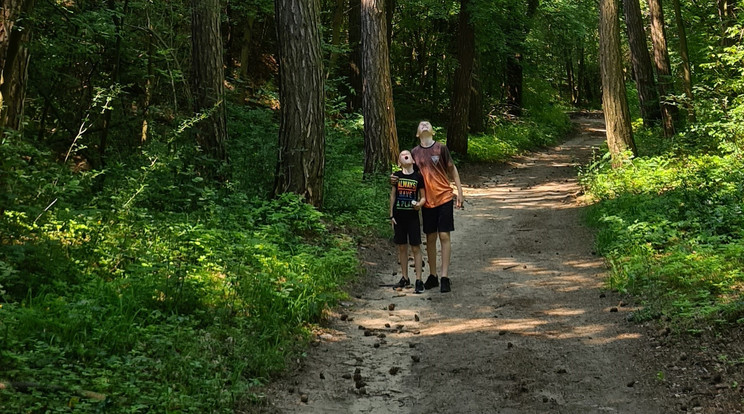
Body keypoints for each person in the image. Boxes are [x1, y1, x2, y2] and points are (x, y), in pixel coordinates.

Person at [393, 121, 464, 293]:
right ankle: (433, 275)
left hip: (444, 196)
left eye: (427, 124)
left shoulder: (441, 148)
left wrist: (460, 192)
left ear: (433, 131)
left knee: (444, 235)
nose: (424, 125)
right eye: (421, 124)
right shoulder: (415, 153)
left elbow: (452, 170)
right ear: (418, 133)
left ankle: (445, 276)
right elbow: (407, 172)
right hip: (427, 201)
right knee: (430, 237)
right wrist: (394, 179)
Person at [390, 150, 427, 293]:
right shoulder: (396, 177)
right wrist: (391, 215)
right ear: (399, 162)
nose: (405, 155)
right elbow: (393, 196)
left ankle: (419, 279)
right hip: (399, 217)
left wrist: (419, 204)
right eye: (402, 154)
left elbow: (423, 197)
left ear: (413, 160)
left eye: (408, 154)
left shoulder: (418, 177)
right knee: (401, 247)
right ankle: (405, 277)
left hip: (412, 218)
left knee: (416, 247)